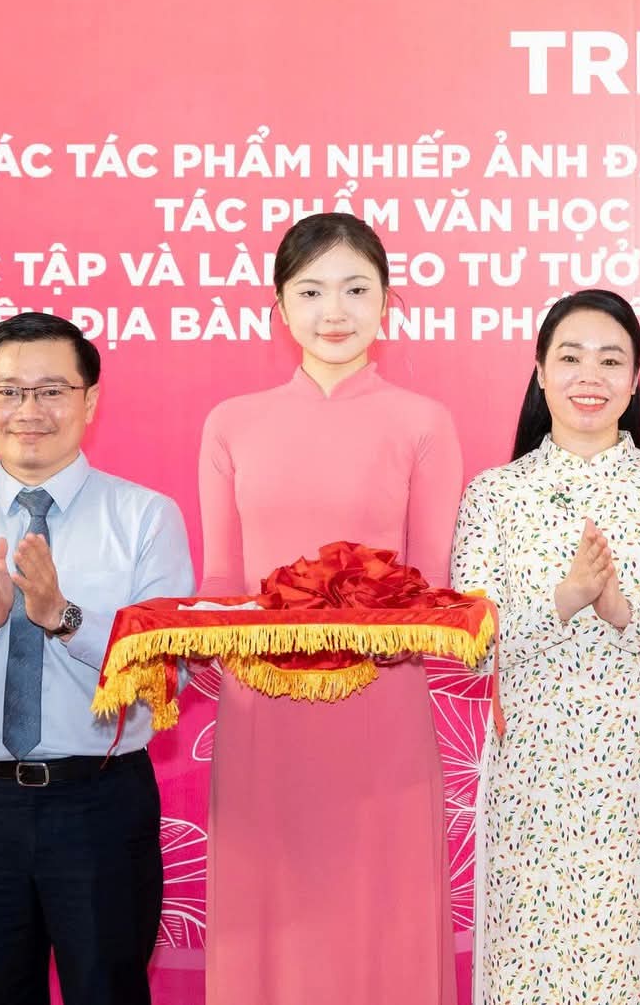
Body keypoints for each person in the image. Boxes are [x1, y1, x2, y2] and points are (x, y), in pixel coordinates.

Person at [198, 213, 464, 1005]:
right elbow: (221, 581)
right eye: (311, 292)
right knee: (272, 910)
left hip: (380, 700)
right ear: (280, 306)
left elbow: (430, 586)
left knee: (378, 910)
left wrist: (378, 633)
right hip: (263, 704)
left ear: (386, 302)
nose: (334, 311)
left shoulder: (423, 421)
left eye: (355, 289)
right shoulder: (231, 422)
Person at [0, 311, 194, 1005]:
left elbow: (163, 674)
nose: (29, 410)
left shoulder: (145, 518)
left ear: (90, 400)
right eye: (8, 391)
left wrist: (61, 617)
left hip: (101, 801)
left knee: (107, 990)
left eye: (53, 390)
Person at [453, 290, 640, 1004]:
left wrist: (624, 615)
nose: (590, 377)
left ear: (636, 380)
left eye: (611, 360)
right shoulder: (495, 495)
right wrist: (564, 602)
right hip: (536, 782)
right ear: (540, 372)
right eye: (570, 357)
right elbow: (472, 646)